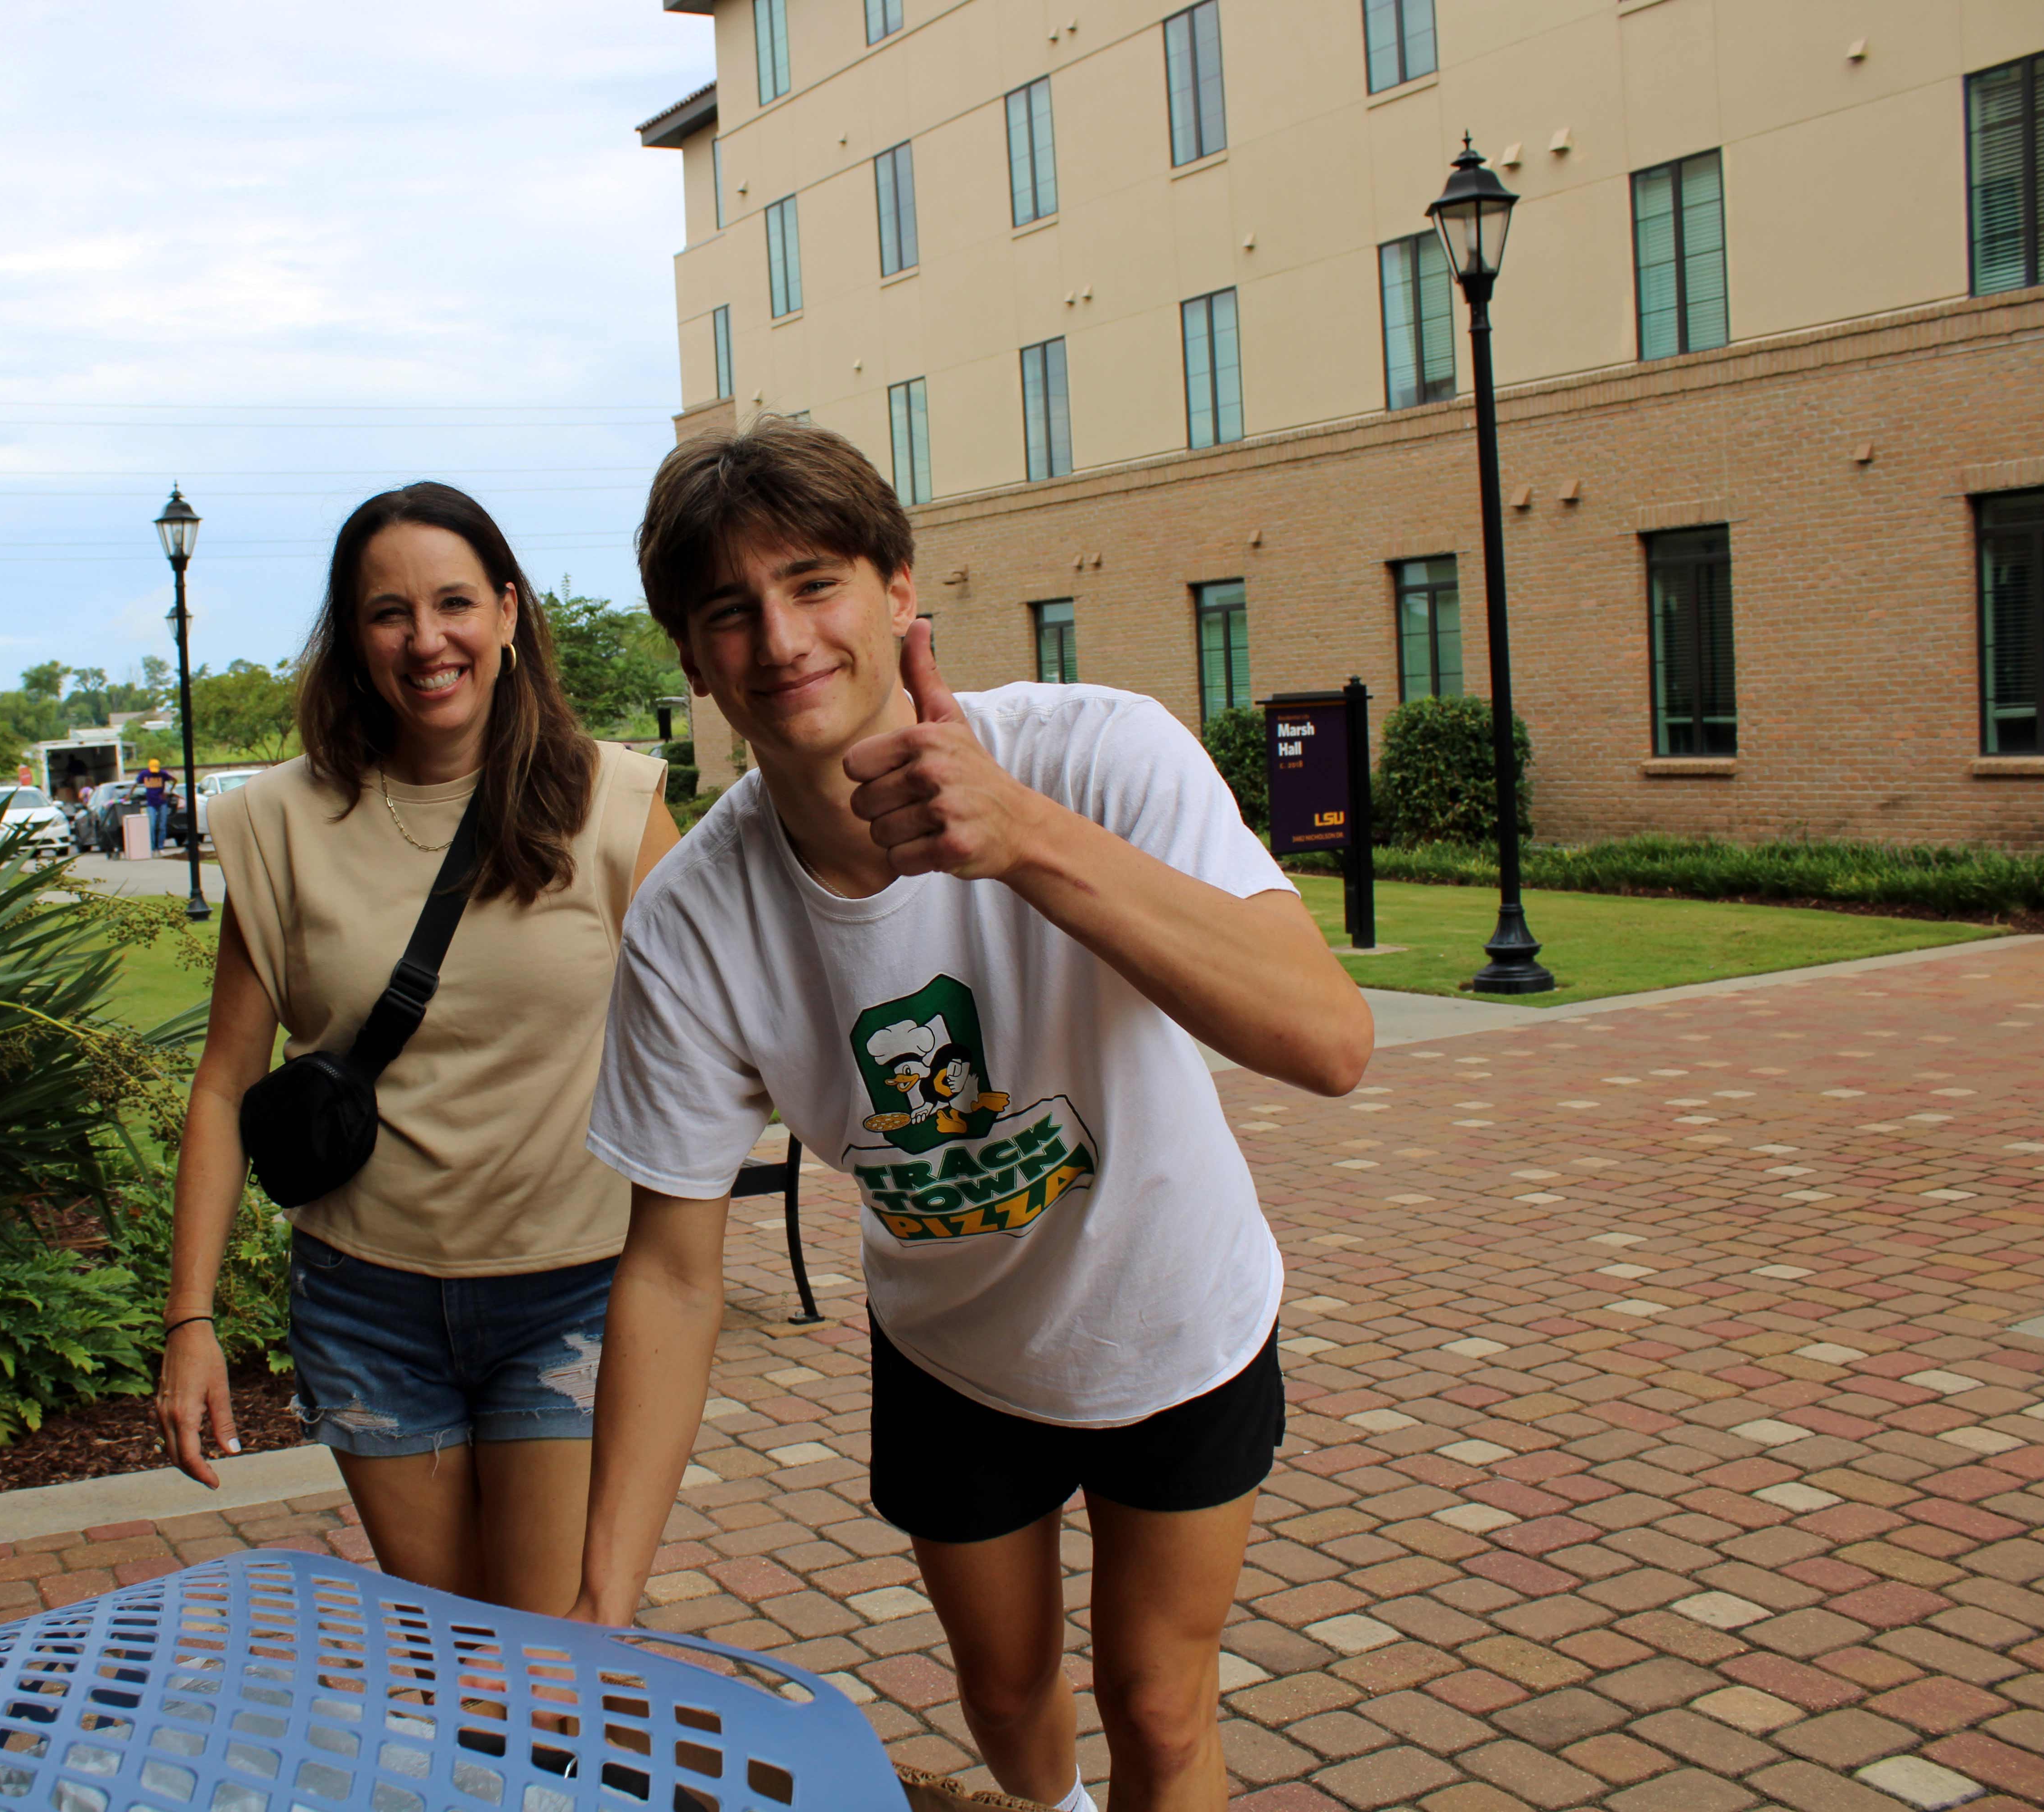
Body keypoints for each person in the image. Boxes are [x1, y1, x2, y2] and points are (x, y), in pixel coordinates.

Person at [570, 419, 1373, 1812]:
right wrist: (596, 1603)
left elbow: (1327, 1040)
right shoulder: (697, 916)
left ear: (895, 592)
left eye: (813, 582)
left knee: (1156, 1703)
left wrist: (1025, 837)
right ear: (694, 662)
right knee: (1004, 1692)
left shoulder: (1097, 752)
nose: (779, 637)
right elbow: (669, 1269)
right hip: (950, 1346)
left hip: (1172, 1307)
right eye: (728, 611)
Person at [158, 482, 680, 1614]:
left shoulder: (612, 803)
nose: (426, 637)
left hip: (571, 1291)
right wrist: (189, 1320)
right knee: (456, 1654)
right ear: (352, 637)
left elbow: (707, 1036)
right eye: (388, 611)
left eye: (453, 602)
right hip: (365, 1299)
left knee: (544, 1663)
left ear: (506, 612)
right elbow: (221, 1085)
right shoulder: (278, 823)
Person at [137, 759, 172, 853]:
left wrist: (167, 793)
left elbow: (174, 780)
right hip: (151, 804)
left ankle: (161, 847)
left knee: (162, 826)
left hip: (162, 803)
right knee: (152, 825)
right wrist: (128, 795)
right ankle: (152, 848)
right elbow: (136, 783)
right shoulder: (145, 774)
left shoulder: (163, 774)